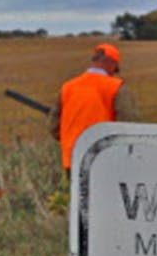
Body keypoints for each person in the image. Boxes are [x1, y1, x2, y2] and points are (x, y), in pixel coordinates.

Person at [48, 42, 141, 171]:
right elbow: (129, 122)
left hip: (72, 159)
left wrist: (69, 141)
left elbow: (53, 126)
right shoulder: (115, 87)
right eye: (115, 69)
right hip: (103, 159)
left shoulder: (67, 87)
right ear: (112, 63)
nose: (114, 73)